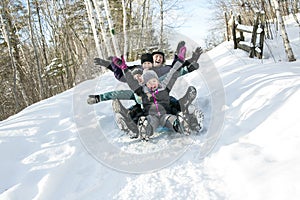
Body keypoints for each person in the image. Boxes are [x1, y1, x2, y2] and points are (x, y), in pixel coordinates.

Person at [119, 60, 190, 140]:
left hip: (165, 114)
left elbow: (172, 75)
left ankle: (180, 124)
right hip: (152, 115)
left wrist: (179, 61)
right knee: (150, 121)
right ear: (145, 84)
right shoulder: (143, 92)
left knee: (170, 119)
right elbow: (132, 83)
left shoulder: (164, 88)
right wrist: (125, 69)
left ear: (157, 81)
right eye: (149, 82)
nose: (152, 84)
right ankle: (145, 130)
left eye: (154, 81)